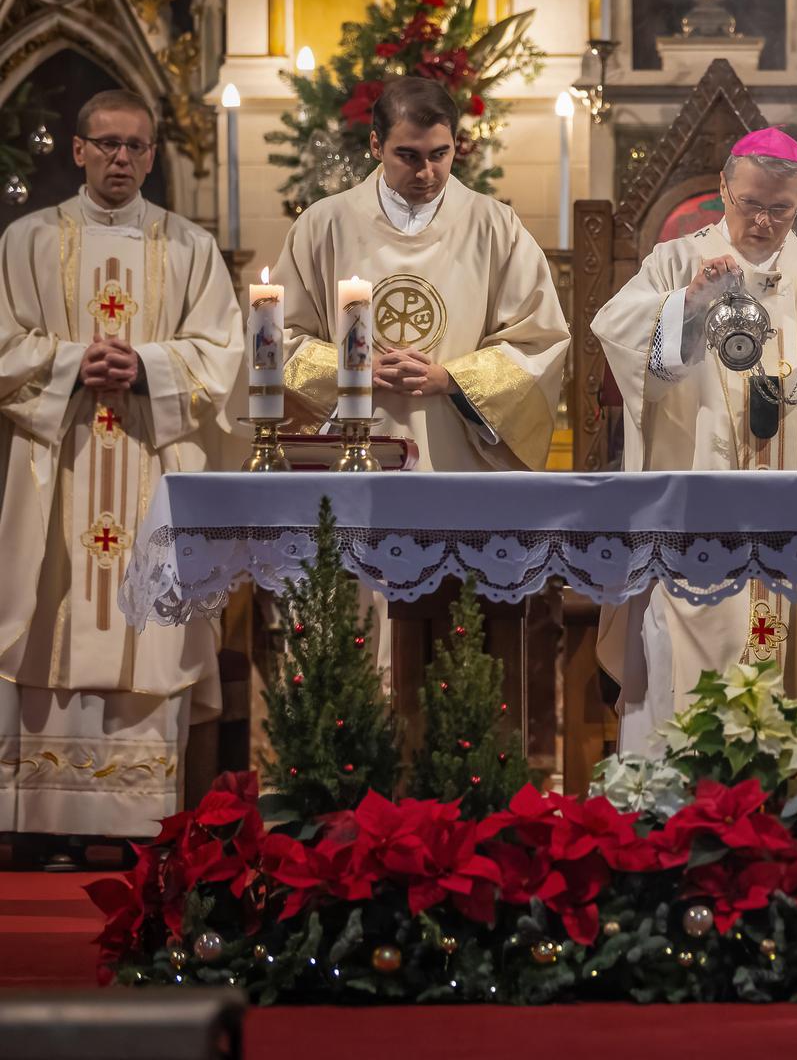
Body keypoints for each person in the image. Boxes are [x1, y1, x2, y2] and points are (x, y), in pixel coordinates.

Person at [591, 127, 797, 753]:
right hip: (702, 524)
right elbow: (620, 342)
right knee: (697, 691)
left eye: (781, 209)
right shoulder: (675, 263)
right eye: (750, 205)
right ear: (723, 190)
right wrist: (688, 303)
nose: (764, 222)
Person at [0, 90, 243, 860]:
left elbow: (224, 356)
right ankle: (38, 820)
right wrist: (73, 362)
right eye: (106, 144)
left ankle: (135, 825)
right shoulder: (26, 241)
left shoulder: (190, 248)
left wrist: (146, 366)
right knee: (45, 606)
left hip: (151, 463)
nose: (122, 160)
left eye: (137, 147)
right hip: (54, 465)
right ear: (77, 150)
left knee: (150, 625)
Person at [276, 76, 569, 472]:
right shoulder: (324, 225)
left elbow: (539, 342)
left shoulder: (496, 227)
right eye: (408, 156)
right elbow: (278, 338)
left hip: (458, 458)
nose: (427, 172)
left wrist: (452, 379)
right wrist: (351, 370)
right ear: (376, 145)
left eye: (440, 154)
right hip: (347, 456)